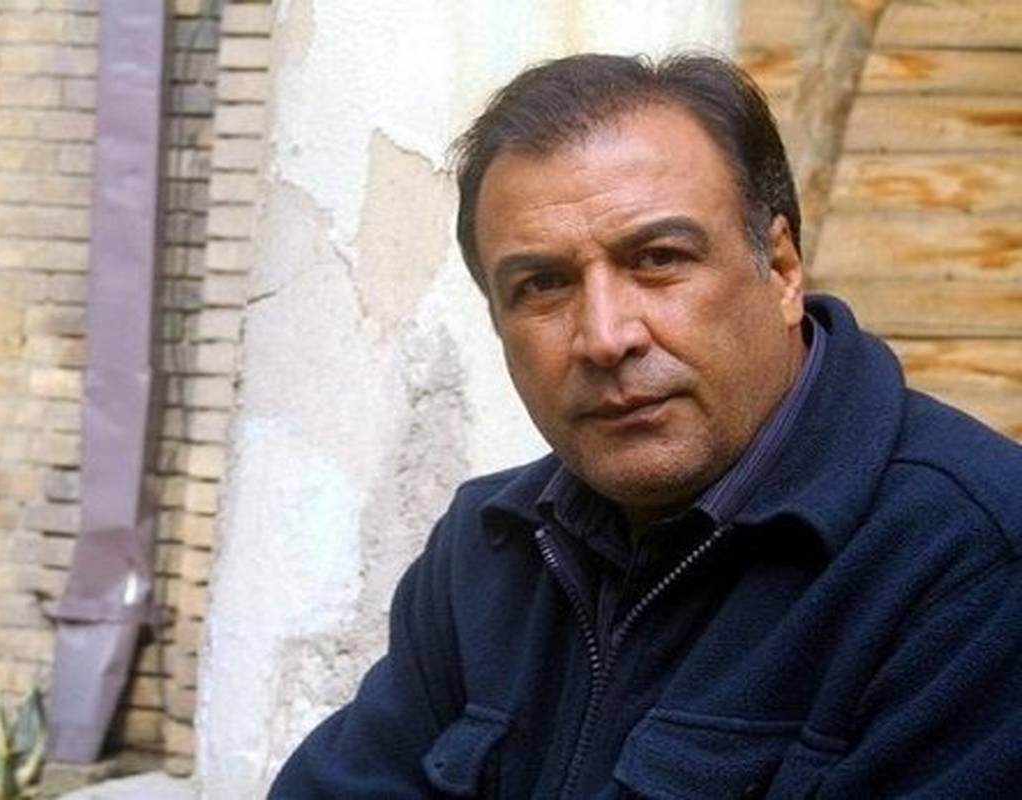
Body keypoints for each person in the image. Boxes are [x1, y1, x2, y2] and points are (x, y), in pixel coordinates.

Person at [270, 52, 1022, 798]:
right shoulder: (487, 551)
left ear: (782, 270)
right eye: (542, 285)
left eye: (659, 259)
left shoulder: (971, 560)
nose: (605, 336)